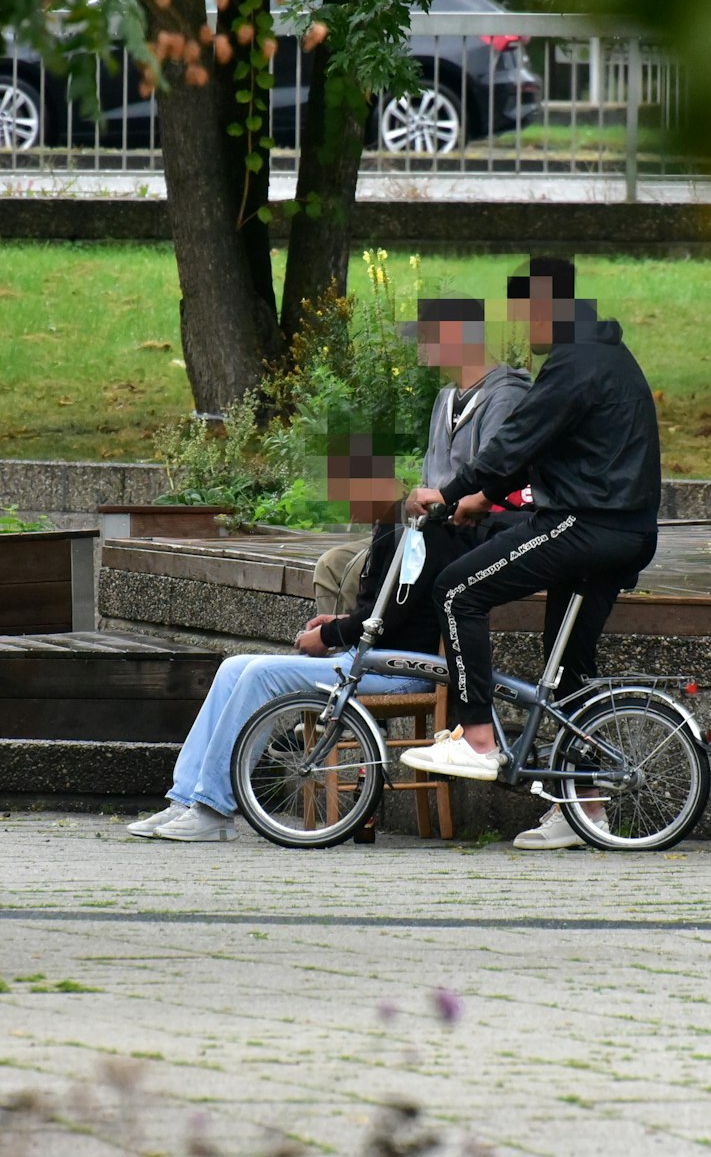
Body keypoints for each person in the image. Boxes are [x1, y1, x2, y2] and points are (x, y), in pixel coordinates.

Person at [402, 257, 662, 848]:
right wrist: (482, 498)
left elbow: (516, 440)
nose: (524, 329)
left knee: (457, 591)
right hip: (625, 530)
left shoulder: (574, 362)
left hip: (584, 523)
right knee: (568, 665)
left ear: (547, 307)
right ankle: (584, 809)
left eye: (525, 314)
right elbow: (535, 448)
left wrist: (448, 493)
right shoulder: (605, 355)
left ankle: (475, 736)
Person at [130, 427, 443, 842]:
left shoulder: (411, 532)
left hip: (403, 668)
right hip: (368, 658)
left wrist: (330, 634)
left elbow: (394, 617)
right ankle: (185, 798)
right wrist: (335, 623)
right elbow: (380, 611)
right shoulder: (388, 525)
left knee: (262, 674)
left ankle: (213, 808)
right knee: (233, 667)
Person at [312, 295, 531, 616]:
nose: (420, 347)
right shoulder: (445, 397)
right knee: (333, 564)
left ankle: (357, 652)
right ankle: (341, 657)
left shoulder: (507, 397)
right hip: (429, 528)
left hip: (469, 533)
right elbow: (433, 479)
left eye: (427, 338)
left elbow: (492, 482)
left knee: (350, 571)